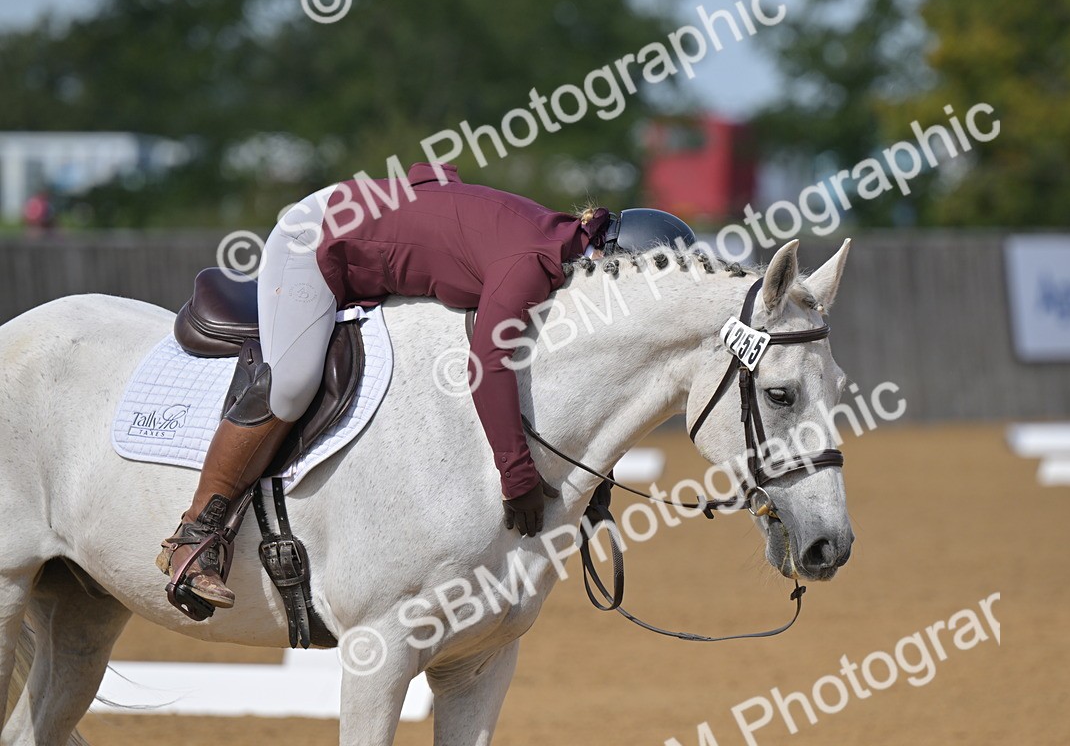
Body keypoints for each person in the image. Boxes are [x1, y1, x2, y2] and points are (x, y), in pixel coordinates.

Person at [157, 161, 696, 610]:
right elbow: (486, 365)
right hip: (314, 236)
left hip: (374, 213)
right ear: (613, 263)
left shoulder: (558, 247)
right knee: (293, 384)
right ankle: (195, 537)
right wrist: (517, 478)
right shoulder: (532, 262)